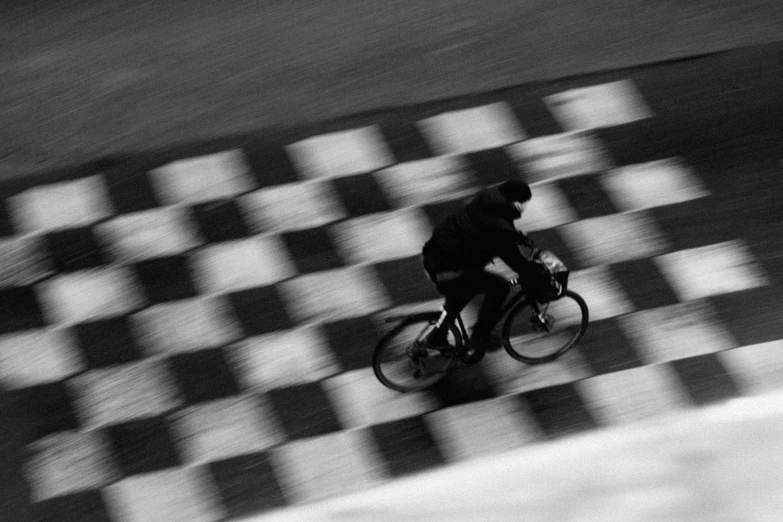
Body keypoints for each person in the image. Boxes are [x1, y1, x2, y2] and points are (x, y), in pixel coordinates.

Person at [421, 179, 551, 363]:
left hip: (434, 257)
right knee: (500, 287)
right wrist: (531, 272)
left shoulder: (487, 200)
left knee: (462, 293)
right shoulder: (498, 226)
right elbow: (512, 258)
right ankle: (480, 336)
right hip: (448, 269)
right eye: (523, 203)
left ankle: (438, 336)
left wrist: (514, 236)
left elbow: (488, 227)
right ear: (515, 203)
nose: (524, 207)